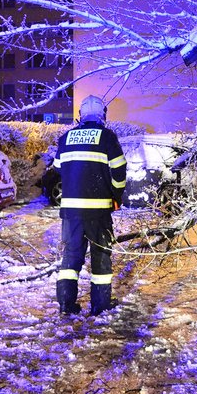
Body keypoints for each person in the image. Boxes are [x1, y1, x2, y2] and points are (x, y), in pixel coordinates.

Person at [53, 95, 127, 316]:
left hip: (70, 212)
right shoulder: (107, 137)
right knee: (101, 256)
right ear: (103, 115)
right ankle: (100, 305)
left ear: (81, 115)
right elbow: (119, 171)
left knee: (71, 257)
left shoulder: (66, 137)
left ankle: (67, 304)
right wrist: (116, 195)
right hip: (99, 211)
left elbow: (58, 168)